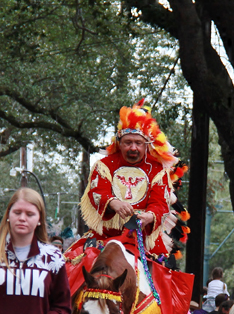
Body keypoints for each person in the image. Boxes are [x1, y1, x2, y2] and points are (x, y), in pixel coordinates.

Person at [64, 99, 177, 263]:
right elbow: (96, 192)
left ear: (146, 145)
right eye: (128, 142)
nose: (133, 148)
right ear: (119, 143)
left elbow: (160, 203)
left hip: (143, 239)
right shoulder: (103, 165)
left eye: (138, 143)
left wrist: (149, 216)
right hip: (106, 235)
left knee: (167, 280)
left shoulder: (158, 170)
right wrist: (113, 203)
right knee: (71, 267)